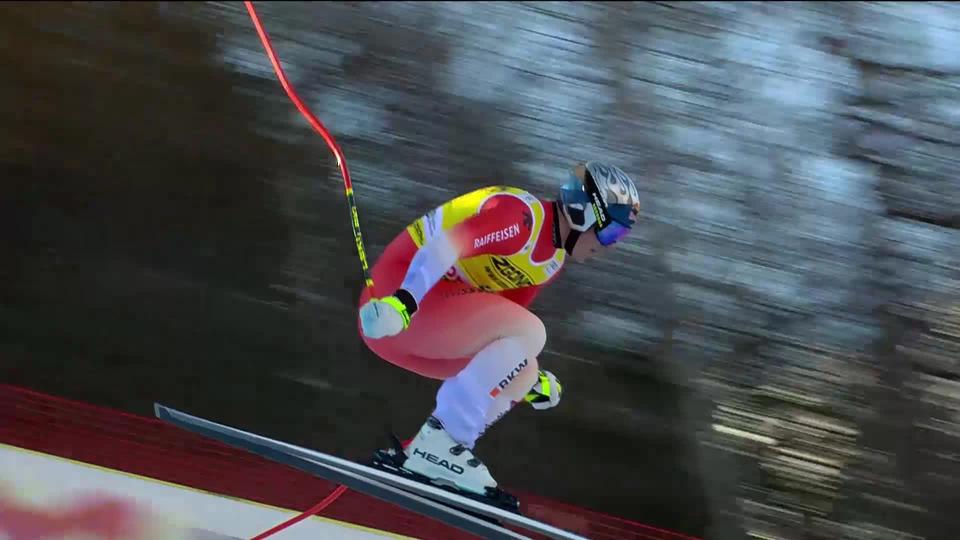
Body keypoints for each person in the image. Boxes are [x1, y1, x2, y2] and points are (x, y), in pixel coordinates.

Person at [357, 161, 640, 498]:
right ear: (583, 212)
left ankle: (426, 452)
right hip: (396, 297)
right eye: (611, 232)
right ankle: (442, 441)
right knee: (533, 333)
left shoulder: (549, 262)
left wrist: (529, 382)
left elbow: (501, 334)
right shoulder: (521, 217)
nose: (608, 246)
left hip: (431, 323)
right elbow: (444, 247)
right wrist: (404, 302)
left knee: (524, 369)